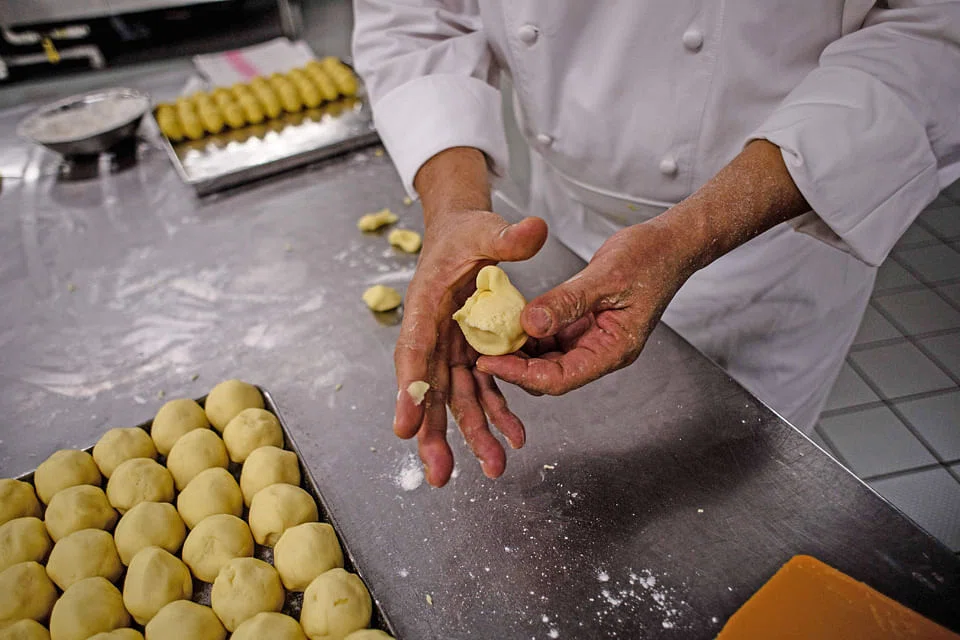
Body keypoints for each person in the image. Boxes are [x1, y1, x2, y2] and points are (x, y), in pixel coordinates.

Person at [352, 2, 960, 488]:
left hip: (771, 239)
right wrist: (455, 212)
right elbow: (417, 18)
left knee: (740, 485)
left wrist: (687, 234)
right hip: (563, 230)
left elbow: (930, 36)